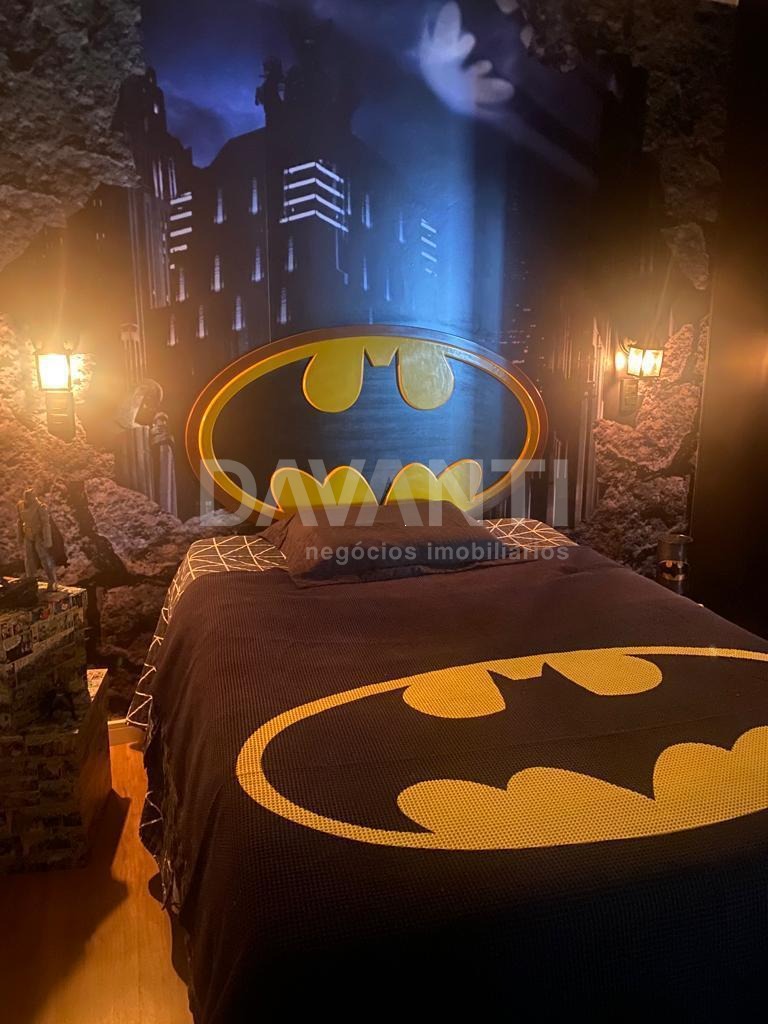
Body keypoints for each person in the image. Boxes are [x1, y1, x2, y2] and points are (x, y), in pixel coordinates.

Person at [16, 488, 57, 591]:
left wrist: (47, 540)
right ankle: (31, 582)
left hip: (38, 534)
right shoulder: (20, 506)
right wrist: (20, 536)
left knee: (44, 557)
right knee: (29, 559)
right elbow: (20, 521)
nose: (27, 500)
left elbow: (45, 524)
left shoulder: (40, 507)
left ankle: (52, 580)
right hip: (27, 534)